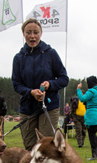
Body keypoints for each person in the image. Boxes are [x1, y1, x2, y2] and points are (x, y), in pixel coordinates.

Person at [12, 18, 69, 150]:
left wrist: (50, 84)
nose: (32, 36)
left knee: (47, 147)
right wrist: (30, 92)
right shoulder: (18, 58)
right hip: (27, 107)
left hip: (48, 106)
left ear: (41, 33)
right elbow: (16, 84)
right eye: (28, 32)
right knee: (30, 147)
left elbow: (64, 79)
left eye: (36, 32)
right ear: (23, 34)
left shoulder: (51, 53)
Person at [77, 76, 97, 160]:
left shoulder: (91, 91)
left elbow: (82, 99)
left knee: (91, 135)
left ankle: (95, 155)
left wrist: (78, 89)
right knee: (93, 134)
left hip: (92, 115)